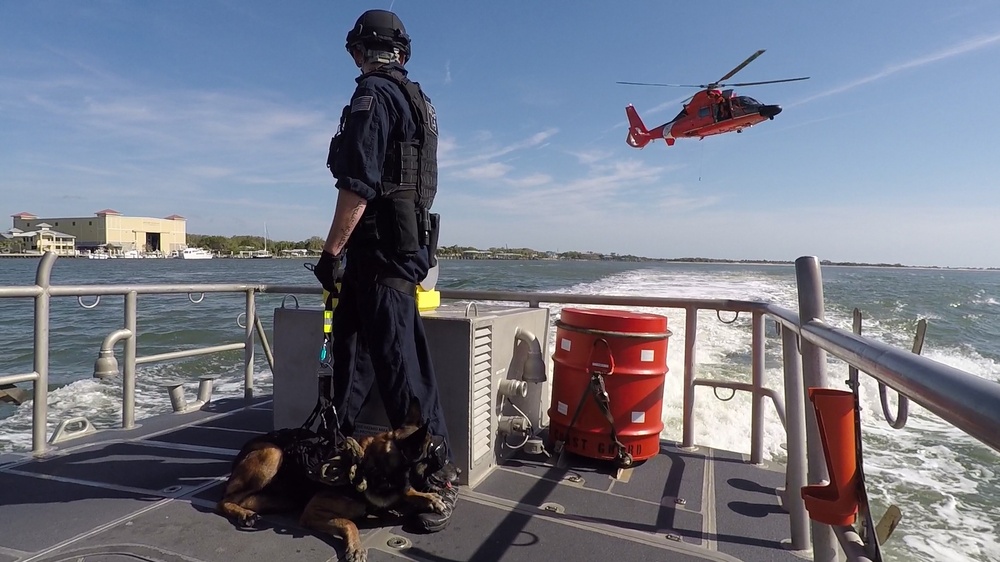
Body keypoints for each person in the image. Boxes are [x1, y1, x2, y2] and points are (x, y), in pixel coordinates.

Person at [310, 9, 456, 532]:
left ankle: (436, 480)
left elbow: (359, 184)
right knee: (351, 356)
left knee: (401, 369)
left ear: (360, 50)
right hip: (397, 251)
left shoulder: (372, 97)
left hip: (381, 253)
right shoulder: (419, 100)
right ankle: (336, 460)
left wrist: (330, 255)